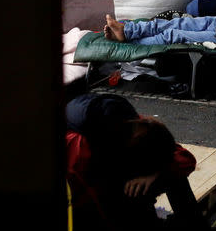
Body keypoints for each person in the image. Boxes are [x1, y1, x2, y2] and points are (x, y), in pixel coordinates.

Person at [65, 93, 207, 230]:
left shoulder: (134, 124)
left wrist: (156, 174)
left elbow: (185, 158)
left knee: (172, 174)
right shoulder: (80, 152)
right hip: (81, 203)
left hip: (113, 167)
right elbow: (96, 209)